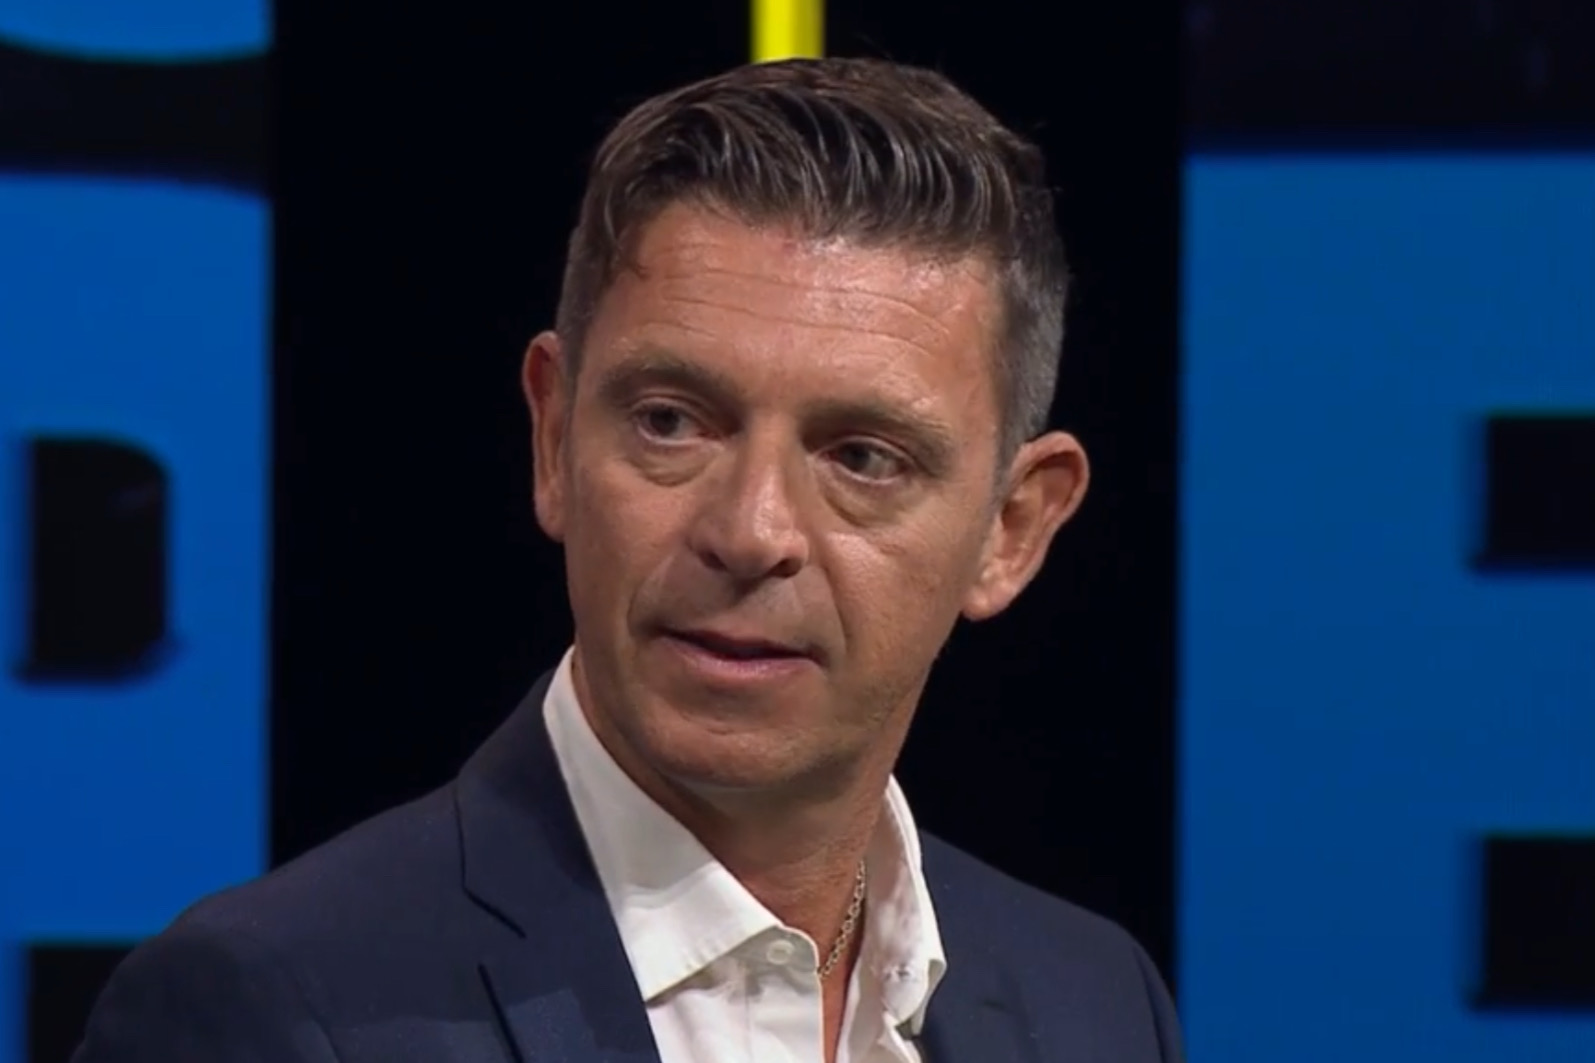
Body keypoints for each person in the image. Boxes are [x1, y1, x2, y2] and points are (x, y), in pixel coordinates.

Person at [74, 56, 1184, 1063]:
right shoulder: (268, 1011)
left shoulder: (1095, 1004)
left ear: (1011, 529)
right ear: (554, 436)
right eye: (670, 422)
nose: (750, 531)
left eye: (861, 457)